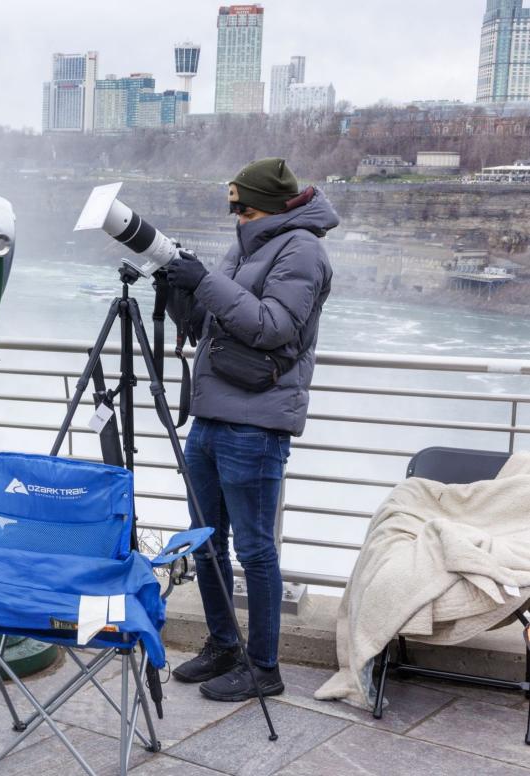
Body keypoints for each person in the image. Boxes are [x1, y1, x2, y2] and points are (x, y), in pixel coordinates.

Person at [162, 157, 336, 702]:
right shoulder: (247, 244)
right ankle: (222, 646)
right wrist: (181, 292)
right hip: (212, 415)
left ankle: (264, 667)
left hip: (255, 425)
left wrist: (208, 283)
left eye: (244, 206)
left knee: (255, 550)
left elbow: (272, 326)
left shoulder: (302, 249)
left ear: (266, 205)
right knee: (206, 542)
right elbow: (217, 322)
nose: (237, 216)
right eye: (235, 208)